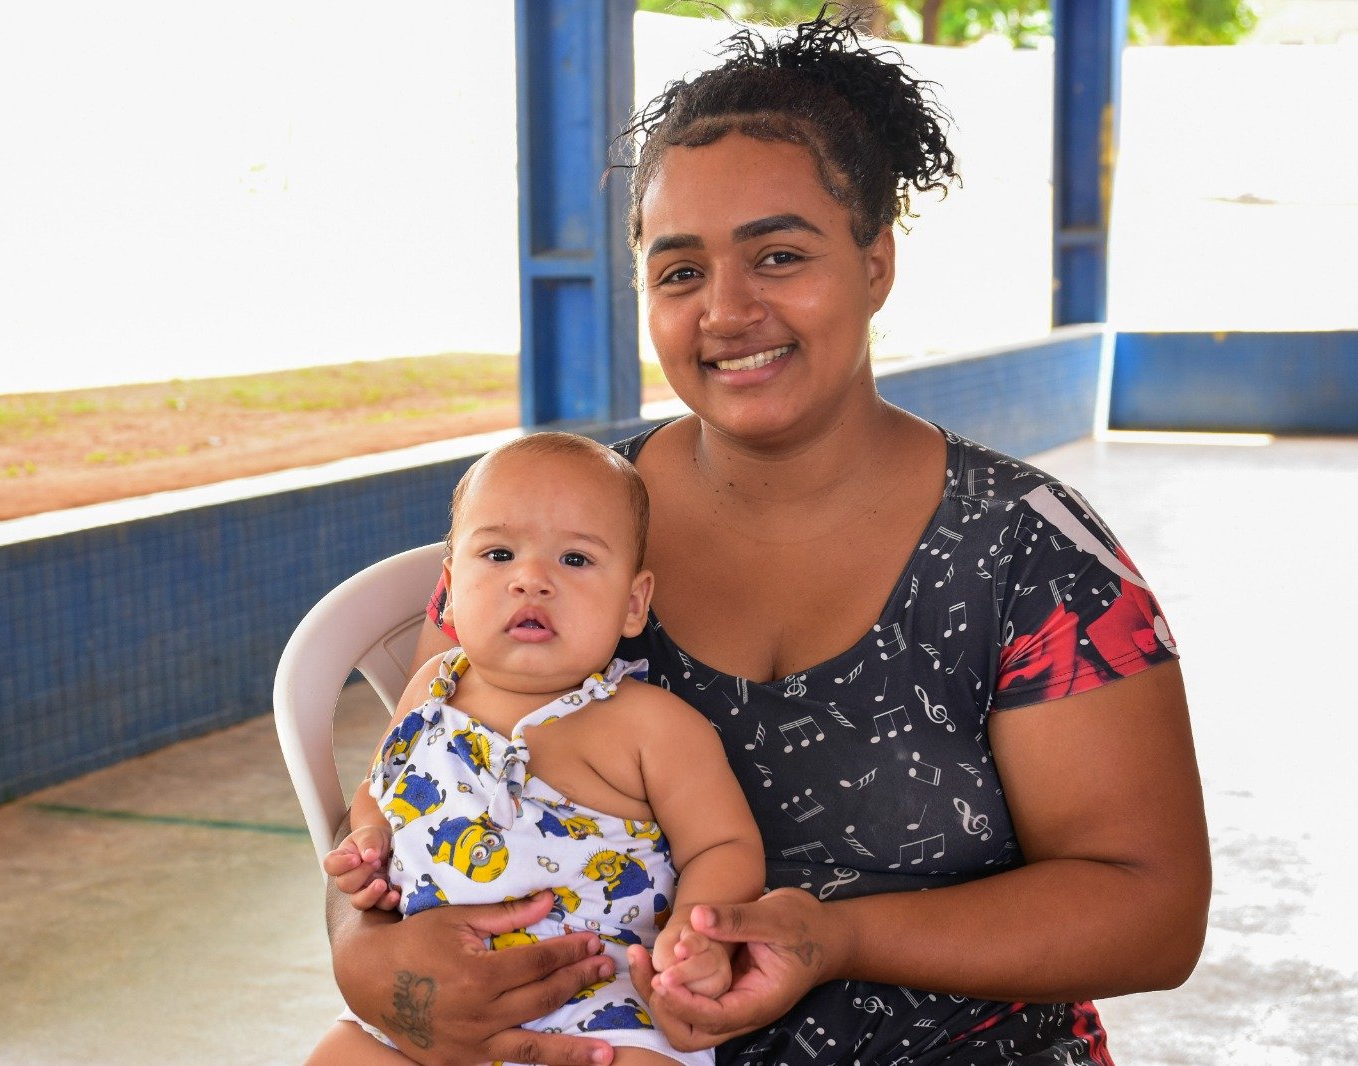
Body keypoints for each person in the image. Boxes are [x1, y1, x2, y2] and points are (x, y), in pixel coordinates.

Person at [323, 10, 1211, 1065]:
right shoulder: (553, 526)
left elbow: (1151, 911)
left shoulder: (1023, 554)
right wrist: (379, 971)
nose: (727, 310)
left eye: (778, 255)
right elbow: (403, 824)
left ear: (875, 262)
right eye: (680, 271)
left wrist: (837, 936)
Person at [307, 432, 765, 1065]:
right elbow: (379, 790)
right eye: (498, 554)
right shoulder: (433, 689)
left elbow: (723, 845)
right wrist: (367, 843)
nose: (531, 580)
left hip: (599, 1000)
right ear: (450, 589)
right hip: (427, 994)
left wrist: (695, 939)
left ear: (633, 604)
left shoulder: (652, 725)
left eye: (575, 560)